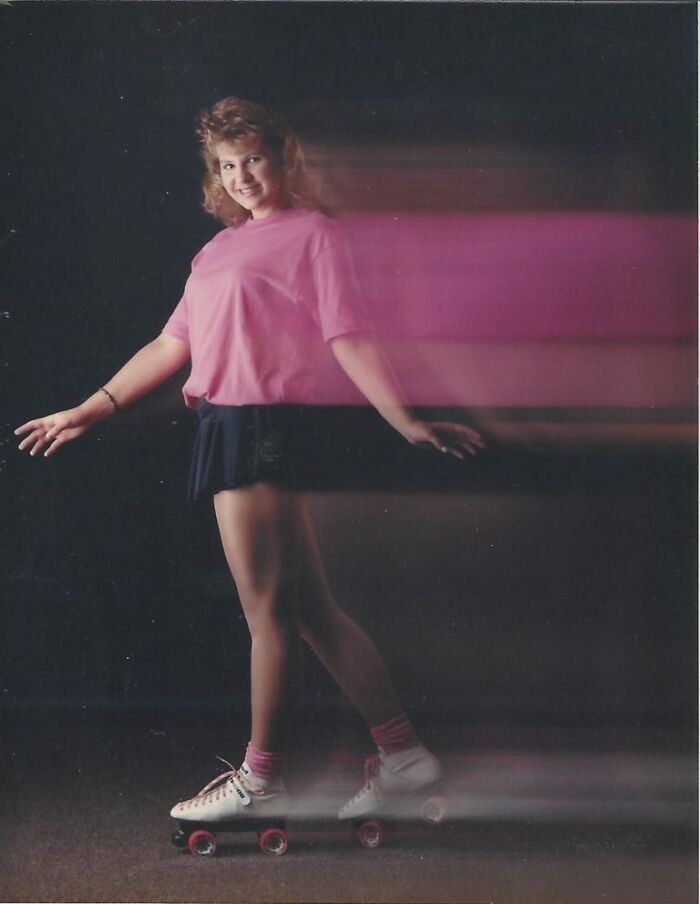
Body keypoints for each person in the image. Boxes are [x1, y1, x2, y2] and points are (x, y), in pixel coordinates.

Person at [15, 97, 485, 827]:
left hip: (262, 427)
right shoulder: (216, 251)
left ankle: (262, 778)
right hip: (229, 427)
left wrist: (409, 422)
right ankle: (403, 754)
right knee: (308, 613)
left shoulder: (314, 236)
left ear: (282, 157)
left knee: (266, 615)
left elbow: (348, 336)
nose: (241, 176)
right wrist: (88, 408)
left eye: (253, 159)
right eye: (227, 165)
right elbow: (171, 347)